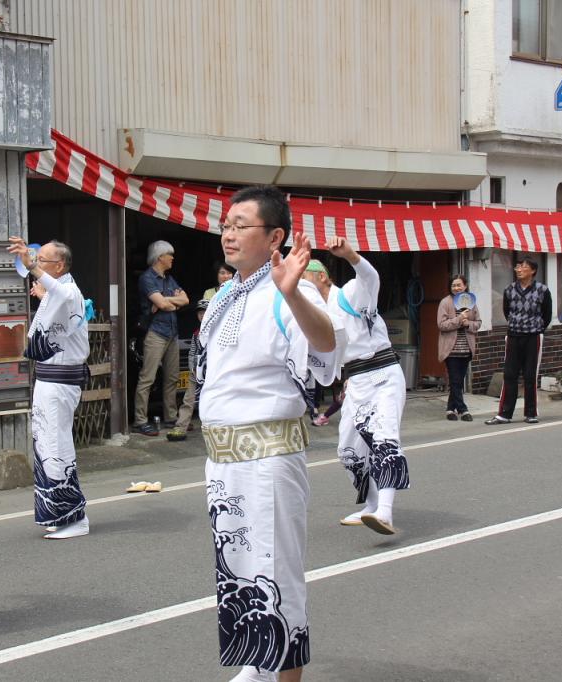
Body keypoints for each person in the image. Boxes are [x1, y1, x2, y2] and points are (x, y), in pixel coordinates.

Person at [197, 185, 341, 682]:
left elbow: (326, 349)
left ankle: (282, 674)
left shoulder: (289, 290)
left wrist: (292, 293)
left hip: (268, 457)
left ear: (275, 236)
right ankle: (258, 662)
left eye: (241, 226)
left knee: (276, 571)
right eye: (225, 225)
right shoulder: (224, 295)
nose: (228, 234)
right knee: (237, 567)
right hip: (224, 456)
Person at [8, 237, 91, 538]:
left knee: (56, 447)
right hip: (48, 380)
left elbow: (62, 296)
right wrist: (43, 293)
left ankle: (75, 518)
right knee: (46, 446)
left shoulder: (69, 291)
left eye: (41, 259)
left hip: (60, 381)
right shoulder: (59, 292)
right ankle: (59, 514)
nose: (36, 262)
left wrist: (31, 267)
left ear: (60, 265)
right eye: (37, 258)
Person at [326, 238, 411, 535]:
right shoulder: (313, 311)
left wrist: (350, 255)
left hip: (382, 374)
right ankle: (372, 506)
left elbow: (370, 277)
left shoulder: (348, 293)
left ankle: (385, 511)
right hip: (356, 379)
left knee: (384, 439)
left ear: (321, 277)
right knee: (349, 448)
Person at [486, 256, 552, 425]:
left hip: (533, 336)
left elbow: (547, 315)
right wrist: (517, 324)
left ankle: (531, 413)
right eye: (517, 267)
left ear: (533, 270)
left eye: (523, 266)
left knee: (530, 375)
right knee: (509, 375)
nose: (519, 269)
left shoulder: (542, 290)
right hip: (514, 336)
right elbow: (506, 311)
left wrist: (537, 328)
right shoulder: (509, 290)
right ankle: (504, 413)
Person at [133, 240, 189, 436]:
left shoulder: (168, 279)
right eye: (169, 254)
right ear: (159, 257)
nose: (172, 258)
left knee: (172, 377)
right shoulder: (147, 278)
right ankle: (140, 420)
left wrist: (165, 300)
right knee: (148, 377)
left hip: (172, 332)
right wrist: (168, 302)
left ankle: (171, 417)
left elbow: (185, 300)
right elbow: (165, 305)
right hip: (155, 332)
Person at [300, 259, 341, 425]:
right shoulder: (311, 303)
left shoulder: (343, 298)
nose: (299, 282)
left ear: (322, 277)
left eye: (303, 277)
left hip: (371, 370)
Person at [437, 274, 481, 421]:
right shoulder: (445, 302)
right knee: (455, 381)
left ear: (465, 286)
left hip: (466, 349)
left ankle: (450, 409)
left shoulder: (471, 302)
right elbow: (441, 325)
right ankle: (463, 410)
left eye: (459, 285)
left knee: (458, 382)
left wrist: (468, 324)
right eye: (453, 285)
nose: (456, 288)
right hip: (451, 349)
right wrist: (459, 319)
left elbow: (478, 322)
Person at [166, 298, 209, 441]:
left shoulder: (217, 331)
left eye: (205, 312)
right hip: (196, 371)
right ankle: (181, 427)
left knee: (212, 399)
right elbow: (192, 352)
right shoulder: (197, 333)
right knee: (188, 399)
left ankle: (217, 427)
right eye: (200, 313)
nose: (202, 315)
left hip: (212, 372)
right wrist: (192, 367)